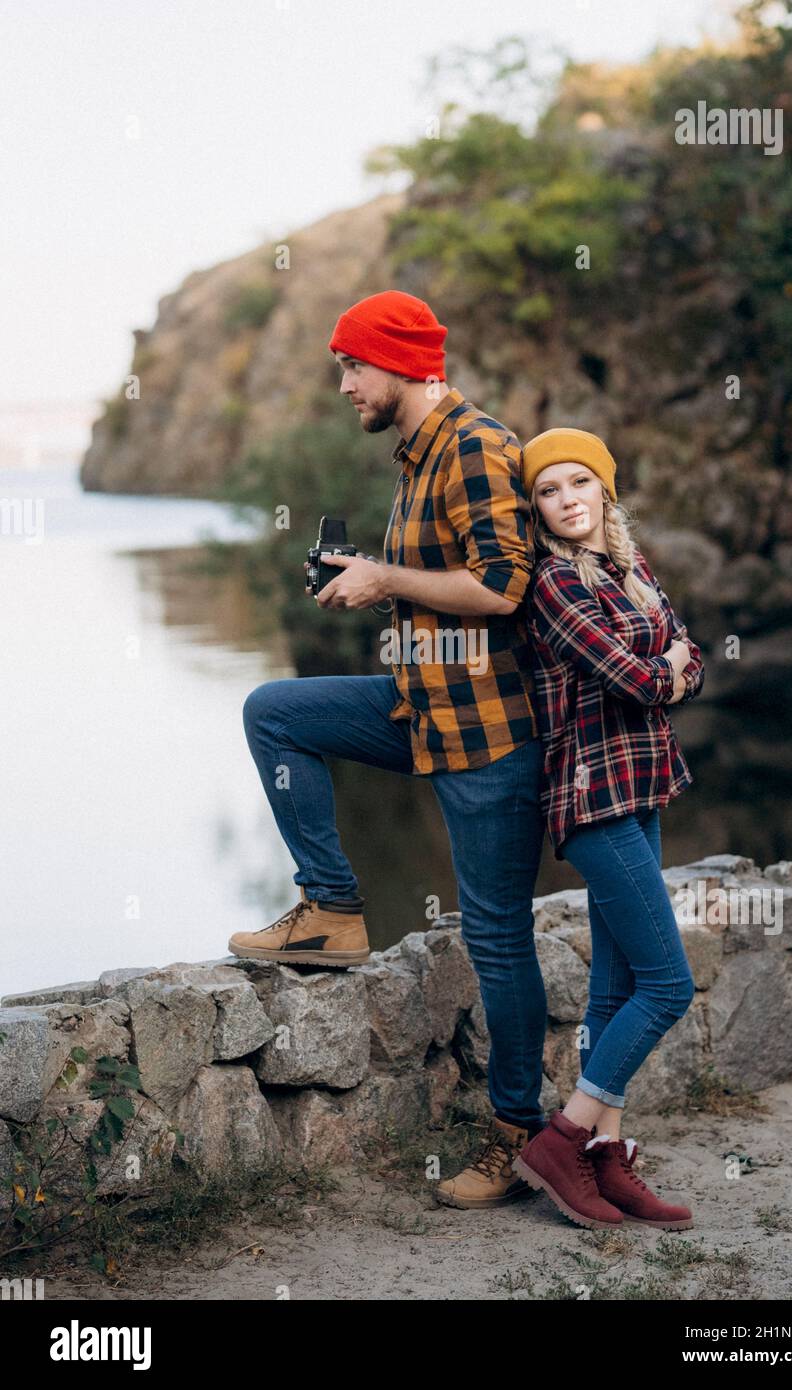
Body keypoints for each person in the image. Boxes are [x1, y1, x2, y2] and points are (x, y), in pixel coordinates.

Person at [232, 290, 550, 1207]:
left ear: (403, 364)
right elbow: (431, 585)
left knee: (497, 939)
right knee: (275, 711)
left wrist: (386, 578)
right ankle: (330, 907)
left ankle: (515, 1140)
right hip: (420, 705)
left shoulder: (476, 445)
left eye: (353, 367)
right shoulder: (416, 456)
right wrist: (361, 582)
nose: (343, 386)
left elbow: (501, 588)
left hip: (489, 732)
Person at [511, 427, 704, 1231]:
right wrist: (670, 665)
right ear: (538, 507)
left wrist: (671, 665)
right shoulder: (552, 583)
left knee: (613, 988)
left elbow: (690, 660)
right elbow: (638, 673)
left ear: (602, 490)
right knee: (668, 985)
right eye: (548, 491)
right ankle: (564, 1138)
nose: (565, 502)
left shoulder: (628, 567)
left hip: (642, 784)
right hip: (589, 795)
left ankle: (605, 1161)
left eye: (577, 484)